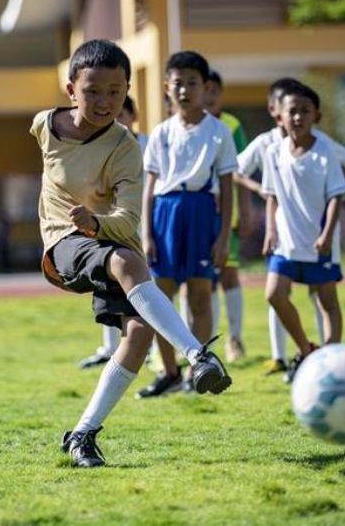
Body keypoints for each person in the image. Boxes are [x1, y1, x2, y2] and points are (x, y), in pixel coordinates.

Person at [30, 40, 231, 467]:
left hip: (109, 239)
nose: (104, 102)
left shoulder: (126, 148)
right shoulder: (45, 125)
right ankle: (198, 355)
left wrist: (97, 221)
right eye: (92, 91)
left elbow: (127, 220)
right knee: (127, 262)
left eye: (115, 92)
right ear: (71, 90)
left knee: (138, 335)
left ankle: (82, 435)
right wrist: (79, 219)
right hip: (63, 242)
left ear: (127, 92)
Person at [236, 77, 345, 376]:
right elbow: (272, 195)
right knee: (274, 295)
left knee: (326, 299)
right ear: (281, 115)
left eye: (305, 110)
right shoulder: (274, 151)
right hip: (286, 242)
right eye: (292, 111)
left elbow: (336, 197)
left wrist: (327, 234)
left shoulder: (325, 151)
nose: (298, 116)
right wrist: (272, 232)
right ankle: (306, 349)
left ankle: (330, 363)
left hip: (319, 241)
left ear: (316, 115)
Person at [137, 51, 237, 398]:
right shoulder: (161, 133)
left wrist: (223, 238)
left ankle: (200, 370)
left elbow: (226, 189)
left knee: (199, 296)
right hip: (165, 213)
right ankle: (168, 372)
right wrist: (147, 233)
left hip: (200, 212)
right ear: (167, 87)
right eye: (177, 83)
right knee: (160, 298)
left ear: (205, 87)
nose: (184, 90)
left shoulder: (219, 133)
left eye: (192, 83)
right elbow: (149, 189)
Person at [79, 95, 146, 370]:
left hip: (140, 224)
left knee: (144, 286)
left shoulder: (146, 145)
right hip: (107, 225)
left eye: (122, 115)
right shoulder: (98, 148)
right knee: (107, 285)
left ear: (133, 116)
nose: (117, 121)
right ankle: (110, 348)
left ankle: (149, 346)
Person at [193, 69, 251, 362]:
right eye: (207, 89)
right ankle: (208, 341)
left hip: (229, 213)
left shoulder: (231, 125)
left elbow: (241, 173)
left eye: (216, 90)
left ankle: (236, 339)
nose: (210, 95)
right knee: (204, 280)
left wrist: (247, 212)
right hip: (200, 214)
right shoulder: (189, 126)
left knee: (229, 274)